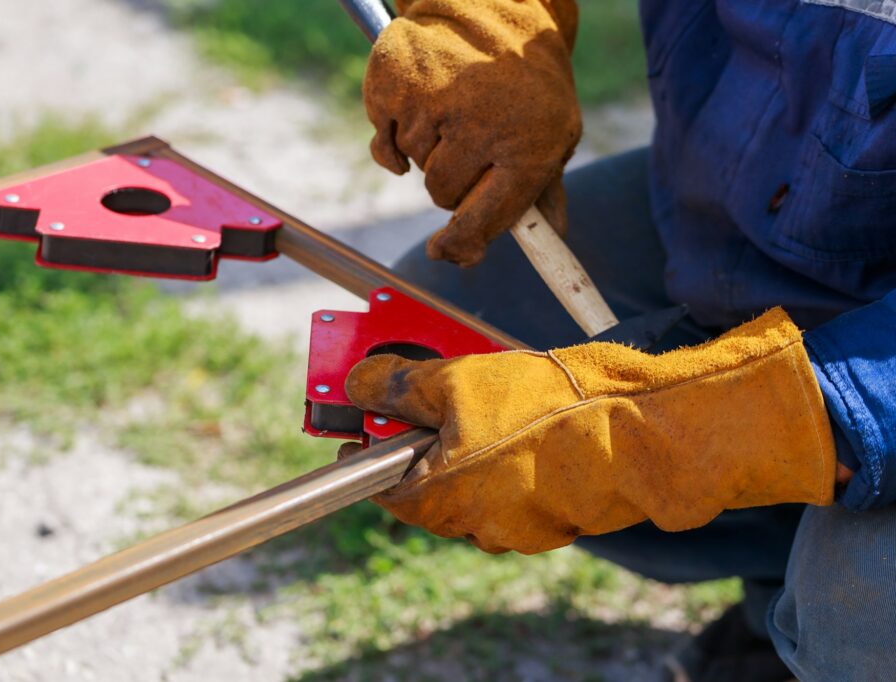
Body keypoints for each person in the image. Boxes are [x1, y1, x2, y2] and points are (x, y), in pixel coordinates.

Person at [348, 1, 896, 680]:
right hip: (752, 212)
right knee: (449, 320)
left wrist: (654, 434)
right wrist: (489, 19)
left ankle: (831, 629)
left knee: (863, 609)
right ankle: (775, 595)